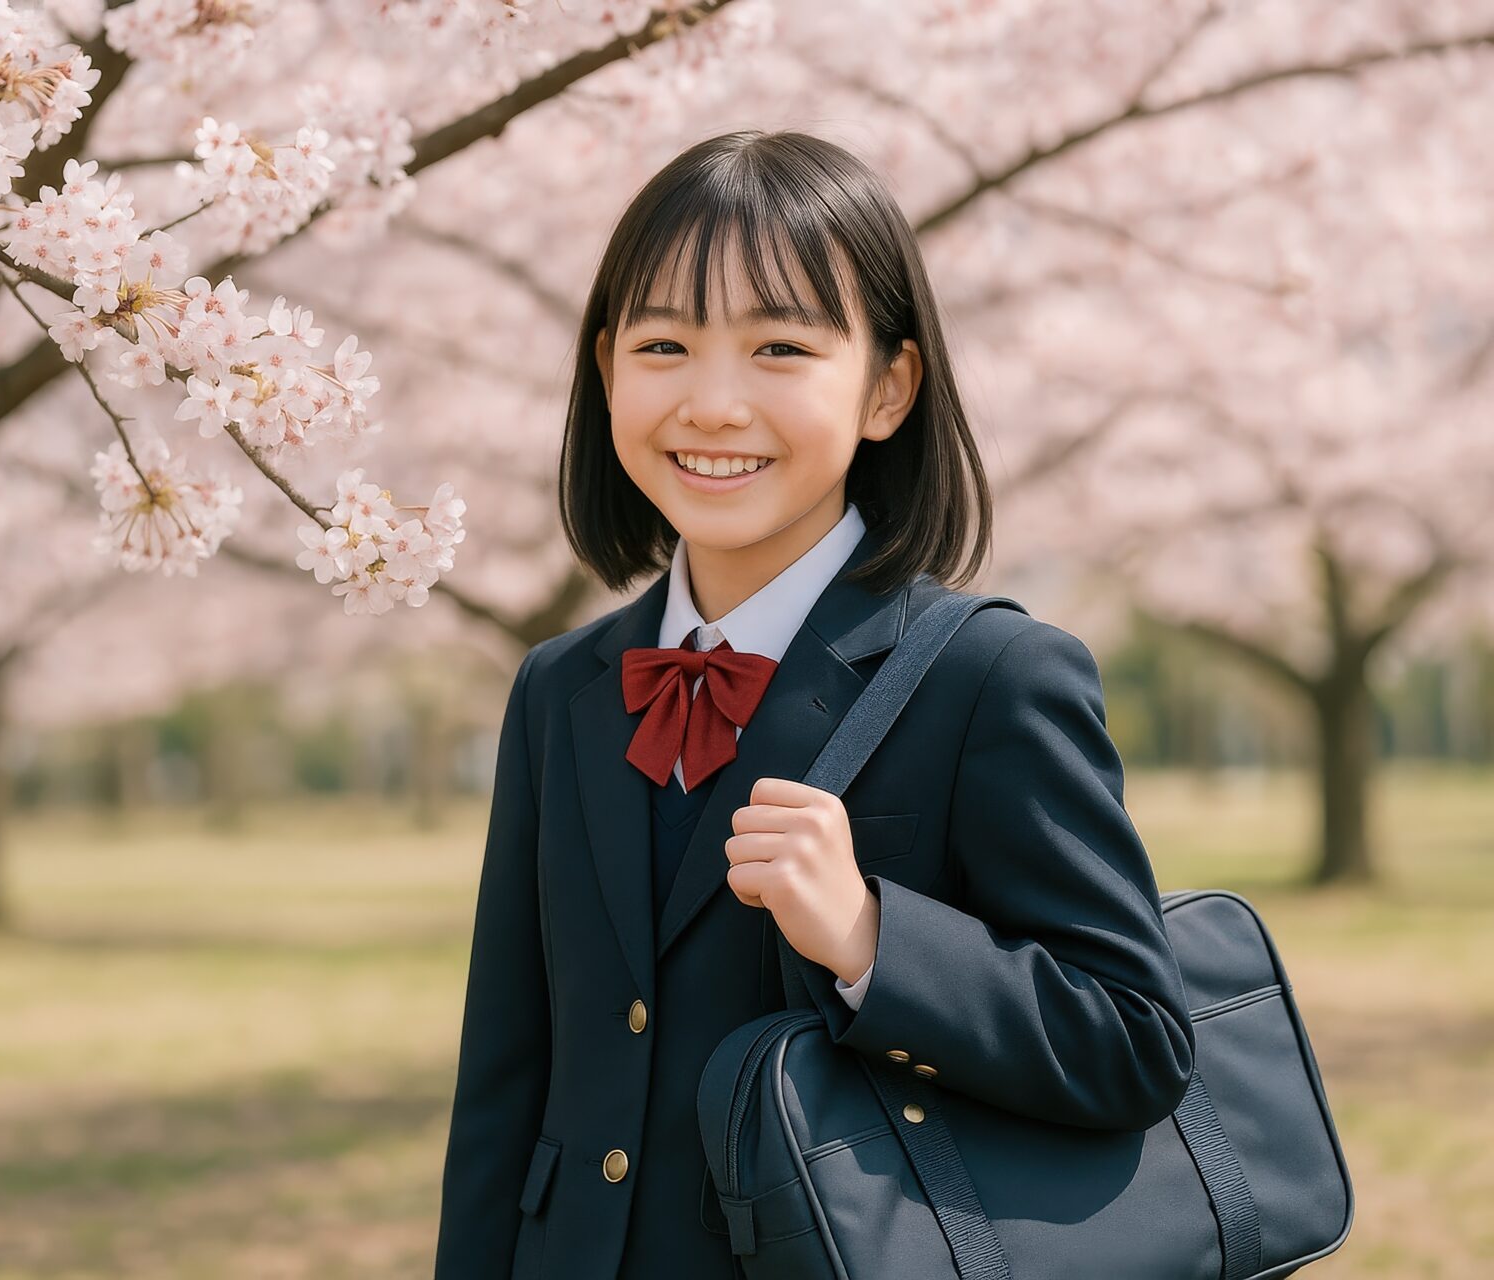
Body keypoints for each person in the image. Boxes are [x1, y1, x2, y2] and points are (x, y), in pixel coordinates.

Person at [432, 129, 1194, 1280]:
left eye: (780, 345)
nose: (715, 402)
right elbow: (506, 1074)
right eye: (664, 345)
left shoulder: (994, 678)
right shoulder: (560, 687)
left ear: (888, 386)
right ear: (605, 371)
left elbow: (1135, 1040)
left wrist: (872, 941)